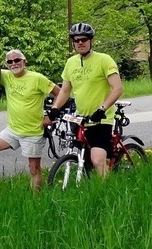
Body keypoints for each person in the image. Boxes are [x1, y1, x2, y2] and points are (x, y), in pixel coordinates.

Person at [0, 49, 60, 198]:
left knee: (34, 169)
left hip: (32, 132)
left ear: (24, 61)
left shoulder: (37, 78)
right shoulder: (6, 76)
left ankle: (37, 201)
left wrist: (51, 115)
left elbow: (61, 93)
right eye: (10, 61)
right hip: (12, 130)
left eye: (17, 60)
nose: (14, 64)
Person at [49, 22, 123, 177]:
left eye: (84, 39)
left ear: (91, 41)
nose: (80, 42)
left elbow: (117, 88)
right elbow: (65, 91)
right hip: (81, 118)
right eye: (76, 40)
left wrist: (102, 109)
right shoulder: (71, 63)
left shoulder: (104, 60)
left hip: (101, 119)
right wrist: (55, 108)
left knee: (97, 160)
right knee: (86, 157)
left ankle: (105, 193)